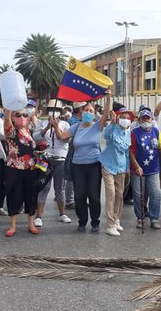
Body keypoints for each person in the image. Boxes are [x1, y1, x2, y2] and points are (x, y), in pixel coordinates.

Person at [62, 92, 112, 233]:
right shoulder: (76, 127)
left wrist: (108, 98)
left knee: (94, 195)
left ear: (95, 113)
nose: (88, 112)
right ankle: (82, 221)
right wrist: (54, 126)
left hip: (94, 165)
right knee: (79, 195)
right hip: (77, 166)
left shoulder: (97, 126)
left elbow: (106, 112)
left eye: (91, 111)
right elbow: (62, 136)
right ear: (81, 112)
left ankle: (95, 222)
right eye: (86, 110)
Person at [130, 109, 161, 230]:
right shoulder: (134, 133)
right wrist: (137, 166)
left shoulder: (156, 131)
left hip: (153, 169)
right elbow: (131, 152)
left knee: (156, 194)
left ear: (151, 120)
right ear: (139, 120)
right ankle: (140, 218)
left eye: (148, 118)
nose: (146, 120)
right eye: (143, 118)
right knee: (138, 195)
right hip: (138, 170)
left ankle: (154, 218)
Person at [33, 99, 72, 227]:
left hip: (61, 159)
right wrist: (47, 127)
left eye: (56, 110)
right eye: (51, 110)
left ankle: (62, 214)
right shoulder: (41, 123)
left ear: (60, 112)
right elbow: (36, 139)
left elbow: (66, 140)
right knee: (44, 187)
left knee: (60, 189)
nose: (53, 112)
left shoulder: (65, 125)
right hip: (45, 159)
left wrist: (56, 127)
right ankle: (39, 216)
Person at [3, 105, 39, 237]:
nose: (22, 117)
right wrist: (8, 107)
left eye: (24, 115)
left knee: (31, 195)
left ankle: (31, 223)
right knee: (14, 195)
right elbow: (6, 120)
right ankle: (13, 225)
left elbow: (34, 116)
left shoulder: (29, 131)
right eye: (18, 115)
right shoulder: (11, 131)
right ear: (13, 117)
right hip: (14, 169)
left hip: (30, 169)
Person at [100, 106, 133, 236]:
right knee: (111, 194)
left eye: (127, 118)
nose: (125, 120)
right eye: (123, 118)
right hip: (108, 165)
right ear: (118, 119)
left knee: (120, 194)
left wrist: (128, 168)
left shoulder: (128, 132)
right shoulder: (113, 128)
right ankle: (110, 224)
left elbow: (126, 152)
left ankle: (116, 218)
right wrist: (112, 123)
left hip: (121, 167)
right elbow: (106, 135)